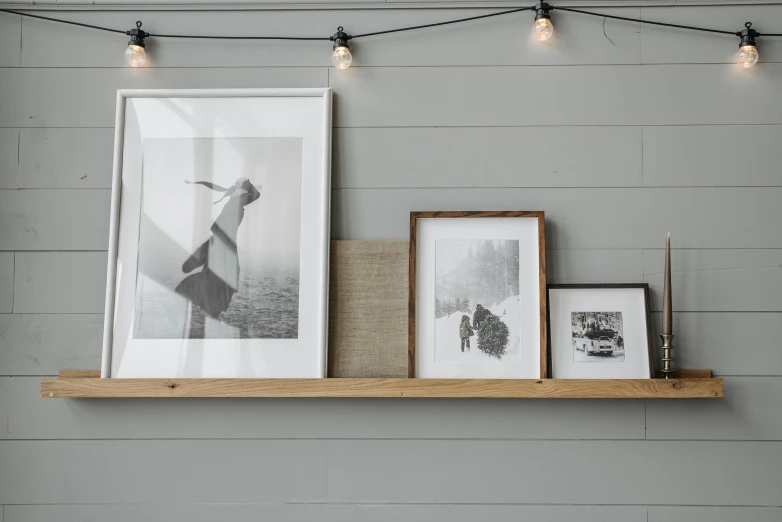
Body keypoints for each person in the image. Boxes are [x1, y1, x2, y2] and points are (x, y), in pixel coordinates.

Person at [175, 177, 261, 325]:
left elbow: (256, 194)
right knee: (216, 279)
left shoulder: (238, 202)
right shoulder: (235, 202)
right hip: (222, 243)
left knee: (218, 280)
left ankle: (211, 312)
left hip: (223, 243)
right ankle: (211, 312)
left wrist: (247, 183)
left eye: (237, 187)